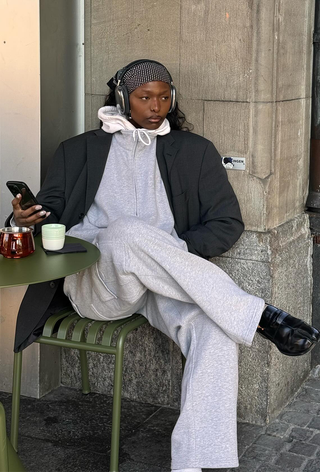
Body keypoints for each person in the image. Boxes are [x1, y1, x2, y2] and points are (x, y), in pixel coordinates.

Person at [8, 59, 320, 471]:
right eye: (144, 97)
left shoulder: (194, 151)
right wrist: (24, 218)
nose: (157, 106)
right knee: (124, 231)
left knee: (217, 326)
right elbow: (49, 212)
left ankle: (195, 462)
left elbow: (228, 223)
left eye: (164, 95)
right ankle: (258, 313)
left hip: (164, 282)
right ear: (122, 99)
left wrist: (172, 251)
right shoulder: (79, 149)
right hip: (99, 283)